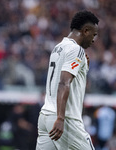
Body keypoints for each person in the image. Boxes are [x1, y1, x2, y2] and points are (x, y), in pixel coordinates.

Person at [36, 10, 99, 150]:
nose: (94, 40)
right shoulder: (77, 50)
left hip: (45, 116)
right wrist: (60, 118)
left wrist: (84, 67)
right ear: (85, 31)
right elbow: (64, 82)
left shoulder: (58, 47)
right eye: (93, 35)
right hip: (66, 119)